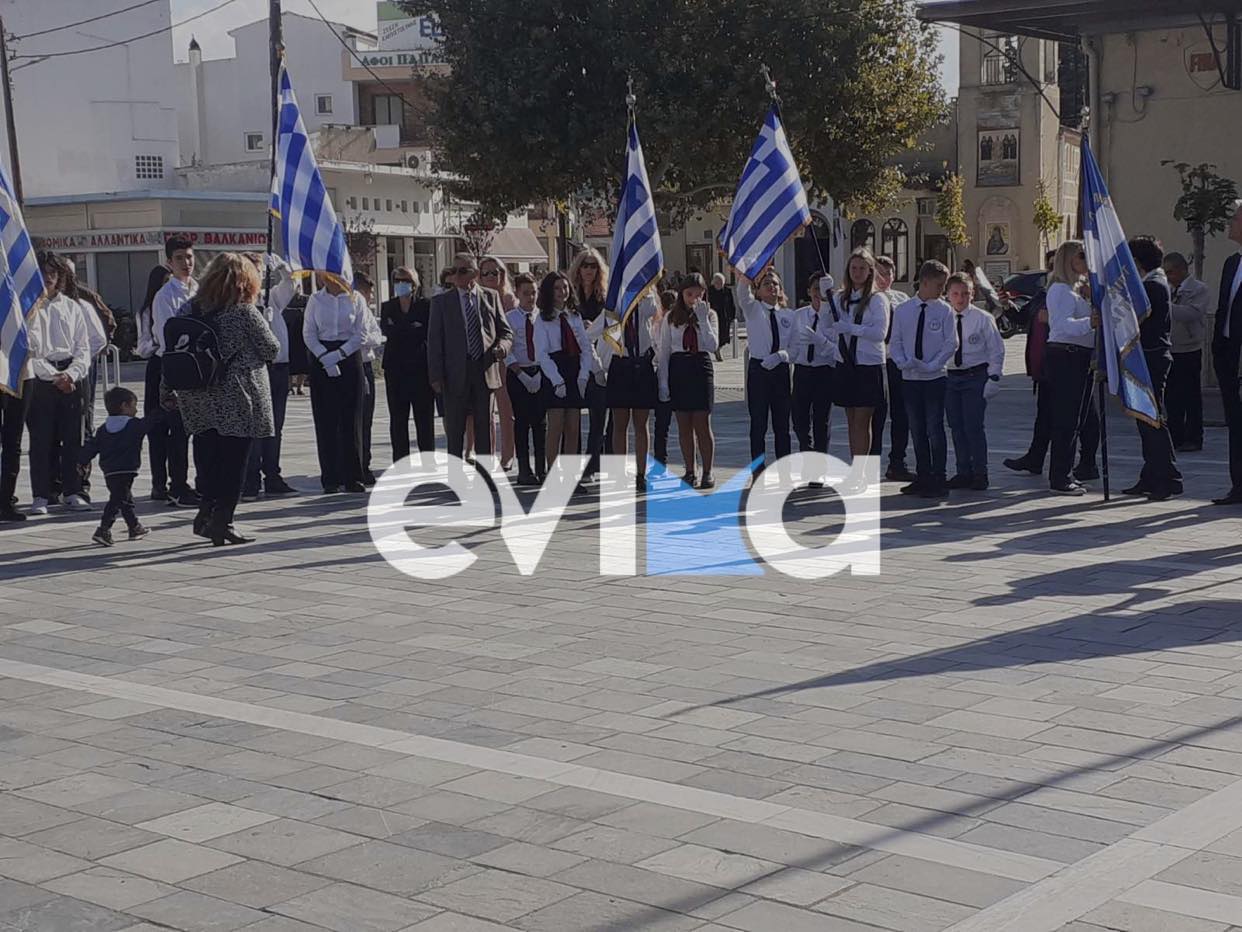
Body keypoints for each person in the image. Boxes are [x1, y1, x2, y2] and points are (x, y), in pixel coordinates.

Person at [166, 253, 278, 545]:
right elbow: (271, 349)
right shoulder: (243, 312)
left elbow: (175, 347)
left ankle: (205, 516)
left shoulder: (190, 308)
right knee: (234, 463)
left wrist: (166, 389)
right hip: (236, 396)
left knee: (210, 461)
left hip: (197, 396)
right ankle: (223, 521)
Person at [427, 252, 513, 460]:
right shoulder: (441, 303)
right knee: (455, 429)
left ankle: (485, 475)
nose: (456, 275)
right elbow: (435, 341)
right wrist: (435, 375)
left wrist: (502, 347)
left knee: (484, 426)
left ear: (474, 273)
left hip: (484, 369)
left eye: (462, 270)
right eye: (453, 271)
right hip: (455, 372)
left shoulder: (490, 297)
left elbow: (506, 332)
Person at [24, 253, 92, 515]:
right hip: (42, 376)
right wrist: (54, 376)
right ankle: (41, 494)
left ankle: (72, 490)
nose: (49, 277)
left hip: (71, 375)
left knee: (72, 437)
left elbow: (83, 347)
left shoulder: (72, 307)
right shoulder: (30, 308)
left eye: (54, 272)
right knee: (41, 439)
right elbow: (31, 350)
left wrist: (71, 375)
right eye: (44, 272)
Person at [890, 260, 957, 498]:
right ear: (925, 282)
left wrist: (933, 365)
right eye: (939, 285)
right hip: (910, 377)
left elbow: (951, 343)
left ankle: (938, 477)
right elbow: (895, 340)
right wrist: (901, 361)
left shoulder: (944, 310)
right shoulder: (904, 310)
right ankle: (923, 474)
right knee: (917, 429)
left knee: (934, 428)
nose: (942, 290)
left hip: (934, 378)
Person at [1124, 237, 1182, 501]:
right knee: (1149, 420)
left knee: (1152, 421)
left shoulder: (1152, 286)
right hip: (1152, 357)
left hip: (1151, 357)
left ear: (1136, 262)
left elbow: (1134, 320)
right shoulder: (1155, 282)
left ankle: (1165, 479)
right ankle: (1155, 475)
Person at [146, 236, 201, 508]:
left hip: (198, 365)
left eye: (189, 257)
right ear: (169, 262)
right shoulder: (165, 296)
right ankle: (176, 486)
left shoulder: (199, 290)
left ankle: (197, 482)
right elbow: (168, 335)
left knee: (197, 429)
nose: (186, 263)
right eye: (180, 258)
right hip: (172, 365)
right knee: (175, 430)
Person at [1044, 241, 1099, 496]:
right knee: (1066, 419)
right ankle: (1060, 476)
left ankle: (1066, 472)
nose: (1086, 260)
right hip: (1066, 355)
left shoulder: (1076, 290)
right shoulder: (1060, 290)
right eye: (1082, 256)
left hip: (1079, 356)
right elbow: (1062, 325)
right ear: (1069, 259)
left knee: (1077, 419)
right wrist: (1090, 322)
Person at [833, 248, 890, 491]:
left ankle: (861, 473)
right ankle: (854, 469)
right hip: (846, 363)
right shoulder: (839, 298)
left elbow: (880, 333)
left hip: (868, 364)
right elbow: (831, 326)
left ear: (870, 272)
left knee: (862, 420)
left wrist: (852, 328)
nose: (857, 272)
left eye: (862, 268)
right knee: (851, 419)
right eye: (853, 268)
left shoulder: (878, 299)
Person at [304, 275, 367, 493]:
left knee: (351, 420)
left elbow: (361, 333)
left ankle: (353, 476)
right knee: (325, 420)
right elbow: (309, 333)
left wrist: (340, 354)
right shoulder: (315, 299)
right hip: (322, 358)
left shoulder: (356, 298)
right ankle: (330, 478)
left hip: (348, 357)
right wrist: (324, 356)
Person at [242, 255, 299, 499]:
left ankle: (272, 474)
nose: (258, 276)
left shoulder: (270, 298)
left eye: (260, 271)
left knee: (276, 425)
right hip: (256, 369)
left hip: (278, 367)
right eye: (253, 271)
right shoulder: (241, 302)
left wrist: (283, 269)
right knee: (256, 426)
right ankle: (251, 478)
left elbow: (291, 286)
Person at [944, 272, 1004, 491]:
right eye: (955, 294)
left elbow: (996, 350)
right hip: (950, 377)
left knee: (973, 426)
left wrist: (994, 376)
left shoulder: (982, 318)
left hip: (974, 376)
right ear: (948, 295)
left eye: (965, 293)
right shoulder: (943, 317)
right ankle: (963, 471)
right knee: (956, 426)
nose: (960, 298)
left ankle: (980, 472)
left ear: (972, 294)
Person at [658, 274, 718, 488]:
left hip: (700, 366)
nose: (694, 298)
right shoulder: (671, 318)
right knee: (684, 425)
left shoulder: (709, 315)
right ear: (682, 294)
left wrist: (702, 319)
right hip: (679, 367)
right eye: (689, 294)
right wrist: (663, 382)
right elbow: (664, 350)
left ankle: (708, 471)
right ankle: (690, 470)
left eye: (698, 294)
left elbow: (713, 345)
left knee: (702, 422)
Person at [602, 283, 662, 491]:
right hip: (621, 363)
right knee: (620, 423)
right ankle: (620, 473)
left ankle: (640, 474)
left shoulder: (646, 300)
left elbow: (652, 308)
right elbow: (609, 322)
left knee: (641, 423)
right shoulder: (615, 302)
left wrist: (644, 287)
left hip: (641, 363)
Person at [735, 268, 795, 471]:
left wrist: (782, 356)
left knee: (782, 426)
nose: (771, 286)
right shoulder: (753, 309)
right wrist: (746, 273)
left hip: (780, 371)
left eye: (775, 283)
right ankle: (758, 471)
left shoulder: (788, 315)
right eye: (766, 283)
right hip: (759, 370)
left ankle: (784, 472)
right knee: (758, 425)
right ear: (758, 290)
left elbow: (796, 347)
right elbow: (743, 292)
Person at [1004, 249, 1057, 476]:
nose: (1053, 270)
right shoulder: (1043, 294)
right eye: (1050, 265)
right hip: (1042, 369)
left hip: (1061, 366)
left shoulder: (1071, 294)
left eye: (1058, 264)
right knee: (1043, 415)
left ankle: (1085, 462)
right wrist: (1008, 306)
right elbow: (1022, 317)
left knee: (1072, 419)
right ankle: (1034, 459)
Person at [533, 271, 590, 475]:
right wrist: (557, 381)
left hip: (573, 369)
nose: (562, 292)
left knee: (573, 427)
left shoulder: (574, 316)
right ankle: (552, 473)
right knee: (555, 426)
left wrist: (583, 375)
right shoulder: (543, 320)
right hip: (555, 371)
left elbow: (584, 347)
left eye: (564, 287)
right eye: (557, 288)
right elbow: (542, 354)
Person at [80, 386, 149, 546]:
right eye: (134, 405)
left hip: (109, 470)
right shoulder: (134, 425)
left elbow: (92, 447)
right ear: (124, 406)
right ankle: (103, 529)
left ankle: (134, 527)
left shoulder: (103, 429)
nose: (136, 410)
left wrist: (81, 461)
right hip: (127, 468)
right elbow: (151, 422)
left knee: (123, 498)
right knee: (117, 499)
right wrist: (166, 409)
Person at [380, 266, 435, 461]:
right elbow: (388, 331)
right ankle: (401, 460)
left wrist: (403, 329)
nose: (401, 284)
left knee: (424, 417)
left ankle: (428, 460)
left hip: (420, 368)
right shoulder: (387, 306)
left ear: (414, 285)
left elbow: (426, 333)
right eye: (397, 280)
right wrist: (411, 328)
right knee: (398, 418)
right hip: (395, 369)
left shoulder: (426, 306)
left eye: (405, 281)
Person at [568, 248, 611, 480]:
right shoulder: (571, 295)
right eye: (585, 265)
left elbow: (610, 327)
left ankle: (592, 463)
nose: (589, 270)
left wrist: (592, 328)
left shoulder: (603, 296)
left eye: (593, 265)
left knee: (598, 417)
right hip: (575, 359)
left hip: (600, 359)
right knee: (572, 417)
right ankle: (572, 463)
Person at [788, 272, 837, 470]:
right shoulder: (799, 315)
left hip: (823, 371)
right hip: (802, 371)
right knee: (799, 419)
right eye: (815, 289)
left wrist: (821, 341)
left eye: (823, 289)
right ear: (808, 291)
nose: (818, 294)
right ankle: (806, 451)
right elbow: (791, 344)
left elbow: (837, 350)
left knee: (821, 421)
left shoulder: (834, 317)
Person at [1163, 251, 1210, 453]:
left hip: (1189, 349)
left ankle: (1194, 437)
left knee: (1190, 395)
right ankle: (1175, 435)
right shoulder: (1165, 289)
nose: (1168, 277)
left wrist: (1165, 305)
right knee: (1171, 396)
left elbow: (1191, 313)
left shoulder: (1199, 289)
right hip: (1169, 347)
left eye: (1171, 272)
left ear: (1182, 270)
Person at [871, 256, 912, 482]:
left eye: (887, 274)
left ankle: (898, 461)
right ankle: (871, 462)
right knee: (876, 415)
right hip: (876, 360)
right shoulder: (867, 299)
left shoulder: (902, 299)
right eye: (878, 274)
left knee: (901, 414)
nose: (883, 279)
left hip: (897, 362)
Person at [1212, 200, 1242, 505]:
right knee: (1236, 422)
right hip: (1230, 354)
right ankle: (1238, 485)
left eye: (1235, 218)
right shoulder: (1232, 263)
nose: (1231, 223)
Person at [505, 273, 546, 485]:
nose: (530, 297)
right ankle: (524, 469)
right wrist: (520, 374)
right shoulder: (510, 317)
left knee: (541, 423)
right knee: (521, 423)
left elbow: (546, 346)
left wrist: (540, 372)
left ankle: (542, 468)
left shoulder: (543, 316)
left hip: (540, 371)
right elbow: (506, 349)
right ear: (517, 293)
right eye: (526, 293)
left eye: (534, 293)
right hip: (518, 373)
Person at [480, 255, 517, 470]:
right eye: (487, 273)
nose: (492, 276)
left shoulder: (509, 299)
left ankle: (508, 454)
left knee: (505, 408)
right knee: (485, 411)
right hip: (483, 359)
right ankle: (487, 454)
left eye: (496, 272)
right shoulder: (477, 297)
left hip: (503, 358)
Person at [353, 272, 385, 485]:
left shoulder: (367, 312)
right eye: (369, 292)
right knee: (350, 421)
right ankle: (350, 465)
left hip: (365, 365)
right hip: (348, 364)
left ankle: (364, 463)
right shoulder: (348, 307)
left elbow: (377, 335)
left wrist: (367, 339)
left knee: (366, 420)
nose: (371, 296)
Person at [652, 289, 677, 465]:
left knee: (663, 425)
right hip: (662, 372)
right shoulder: (657, 324)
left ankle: (661, 458)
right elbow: (659, 351)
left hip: (673, 373)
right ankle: (661, 458)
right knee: (662, 424)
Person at [284, 288, 310, 396]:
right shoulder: (285, 299)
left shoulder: (307, 299)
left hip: (302, 333)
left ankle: (300, 386)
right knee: (290, 360)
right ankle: (289, 386)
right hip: (289, 332)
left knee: (302, 362)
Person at [707, 272, 735, 362]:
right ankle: (717, 350)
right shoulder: (709, 291)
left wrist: (732, 316)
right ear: (714, 282)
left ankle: (718, 348)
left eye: (721, 282)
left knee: (725, 336)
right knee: (716, 334)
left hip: (725, 316)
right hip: (713, 316)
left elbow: (731, 304)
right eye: (718, 282)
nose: (719, 284)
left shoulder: (727, 291)